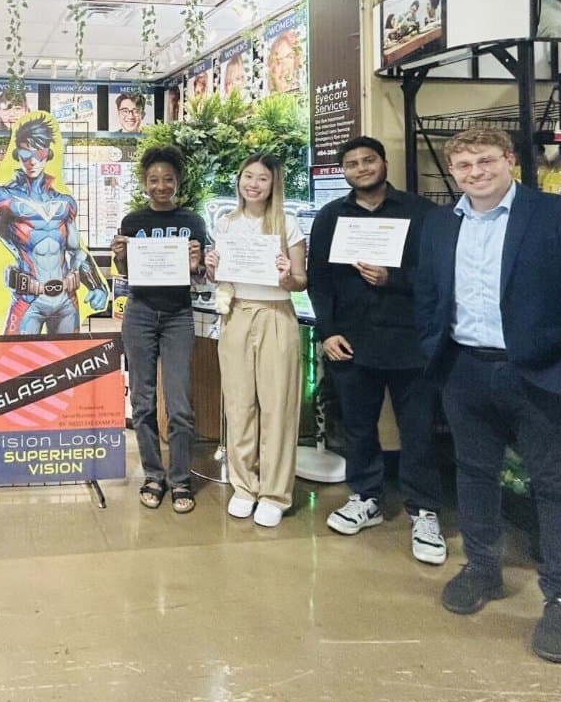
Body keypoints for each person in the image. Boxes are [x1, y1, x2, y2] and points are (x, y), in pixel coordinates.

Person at [414, 128, 561, 664]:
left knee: (556, 486)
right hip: (466, 370)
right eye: (464, 165)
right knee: (473, 473)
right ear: (453, 172)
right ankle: (482, 568)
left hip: (543, 376)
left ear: (509, 161)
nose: (475, 172)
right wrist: (436, 353)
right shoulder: (438, 224)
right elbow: (430, 294)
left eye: (485, 161)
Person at [306, 137, 445, 563]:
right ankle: (365, 497)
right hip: (351, 342)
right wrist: (327, 332)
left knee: (418, 429)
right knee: (360, 427)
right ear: (343, 171)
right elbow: (319, 279)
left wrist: (393, 279)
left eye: (369, 160)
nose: (361, 168)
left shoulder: (421, 213)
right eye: (352, 163)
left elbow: (437, 276)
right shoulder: (331, 216)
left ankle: (424, 510)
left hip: (411, 342)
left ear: (383, 163)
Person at [204, 153, 307, 527]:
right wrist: (213, 269)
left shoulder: (287, 224)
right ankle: (245, 486)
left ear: (273, 184)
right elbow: (220, 278)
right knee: (239, 403)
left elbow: (300, 280)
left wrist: (286, 277)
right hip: (236, 315)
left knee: (278, 405)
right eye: (248, 176)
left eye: (262, 178)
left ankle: (275, 493)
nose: (254, 184)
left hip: (276, 315)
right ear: (239, 180)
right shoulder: (225, 224)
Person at [111, 145, 207, 515]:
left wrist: (198, 264)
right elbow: (126, 273)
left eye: (168, 178)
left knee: (180, 405)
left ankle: (181, 478)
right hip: (139, 314)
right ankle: (154, 475)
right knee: (142, 401)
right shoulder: (132, 221)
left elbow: (201, 275)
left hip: (178, 316)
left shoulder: (193, 222)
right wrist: (120, 255)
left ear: (177, 181)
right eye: (154, 179)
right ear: (145, 183)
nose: (161, 185)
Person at [0, 113, 108, 334]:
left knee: (68, 365)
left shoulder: (64, 203)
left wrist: (96, 285)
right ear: (16, 154)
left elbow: (77, 251)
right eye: (25, 153)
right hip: (28, 300)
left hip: (67, 299)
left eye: (38, 153)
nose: (32, 161)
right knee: (19, 366)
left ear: (48, 153)